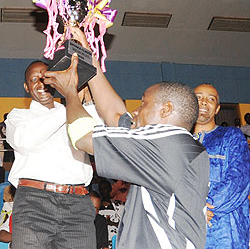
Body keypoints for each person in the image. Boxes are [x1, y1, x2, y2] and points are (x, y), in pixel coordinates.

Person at [44, 38, 210, 249]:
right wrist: (90, 57)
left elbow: (83, 137)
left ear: (166, 110)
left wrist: (70, 93)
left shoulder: (165, 143)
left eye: (143, 103)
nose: (136, 111)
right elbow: (115, 116)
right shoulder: (181, 147)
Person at [5, 60, 96, 249]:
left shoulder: (74, 110)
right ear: (26, 87)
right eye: (34, 79)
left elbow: (96, 137)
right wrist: (72, 102)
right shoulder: (18, 116)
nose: (40, 83)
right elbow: (25, 140)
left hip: (78, 204)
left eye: (46, 78)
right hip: (34, 203)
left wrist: (85, 101)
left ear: (55, 81)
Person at [193, 83, 250, 249]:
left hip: (225, 232)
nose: (204, 102)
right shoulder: (180, 141)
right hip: (187, 233)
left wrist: (203, 208)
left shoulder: (231, 137)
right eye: (198, 97)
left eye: (211, 99)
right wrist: (189, 211)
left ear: (217, 109)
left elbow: (239, 179)